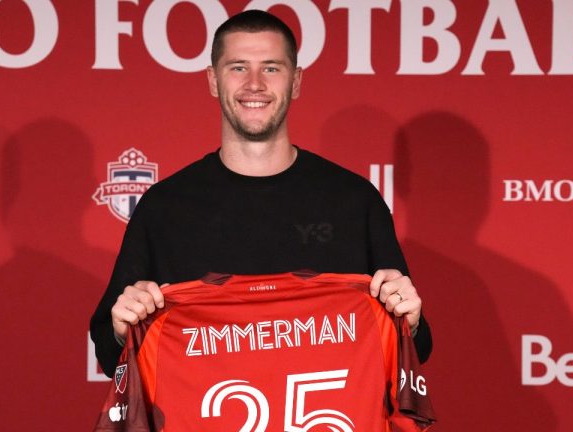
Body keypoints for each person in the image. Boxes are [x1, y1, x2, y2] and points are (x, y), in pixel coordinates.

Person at [90, 9, 432, 377]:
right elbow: (110, 356)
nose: (254, 83)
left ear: (296, 81)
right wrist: (121, 328)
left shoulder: (353, 200)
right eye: (238, 67)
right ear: (212, 80)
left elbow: (416, 347)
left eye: (271, 67)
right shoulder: (164, 207)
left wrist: (409, 323)